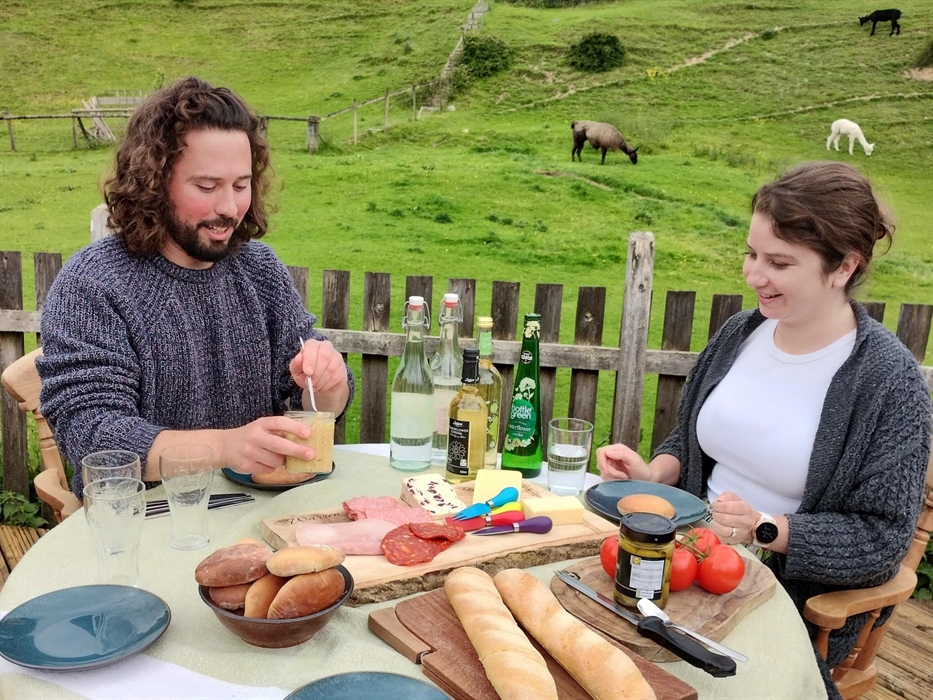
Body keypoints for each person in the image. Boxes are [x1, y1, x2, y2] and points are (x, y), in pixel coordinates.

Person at [596, 161, 930, 698]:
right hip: (680, 561)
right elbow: (692, 438)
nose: (753, 275)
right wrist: (652, 476)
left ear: (843, 266)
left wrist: (763, 528)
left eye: (778, 262)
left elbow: (881, 539)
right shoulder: (740, 333)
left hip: (786, 599)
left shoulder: (889, 383)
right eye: (752, 254)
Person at [37, 77, 354, 497]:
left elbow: (312, 407)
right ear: (153, 181)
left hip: (260, 516)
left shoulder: (260, 270)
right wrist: (225, 447)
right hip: (143, 526)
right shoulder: (93, 284)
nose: (229, 207)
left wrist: (330, 384)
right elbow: (94, 437)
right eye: (207, 187)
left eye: (241, 186)